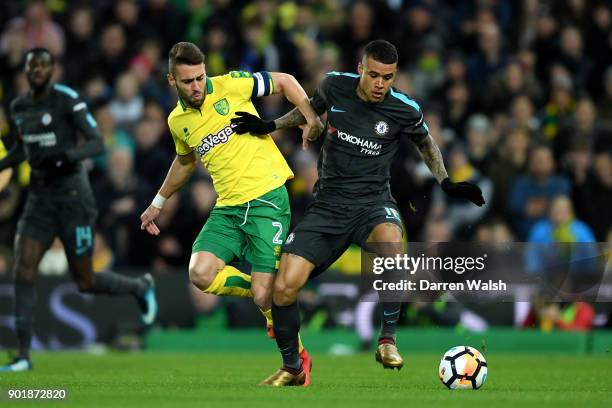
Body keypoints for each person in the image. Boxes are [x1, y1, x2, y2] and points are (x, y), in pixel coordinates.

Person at [232, 40, 485, 386]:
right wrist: (271, 126)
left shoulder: (404, 109)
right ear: (361, 68)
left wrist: (446, 182)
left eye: (389, 77)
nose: (381, 84)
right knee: (283, 290)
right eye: (376, 75)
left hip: (372, 204)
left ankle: (387, 341)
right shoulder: (334, 85)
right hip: (328, 206)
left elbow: (426, 143)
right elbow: (310, 110)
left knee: (390, 243)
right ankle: (292, 368)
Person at [139, 42, 322, 355]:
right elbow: (185, 162)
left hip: (267, 199)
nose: (197, 86)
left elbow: (286, 81)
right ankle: (265, 293)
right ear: (172, 81)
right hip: (229, 207)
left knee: (266, 297)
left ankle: (298, 358)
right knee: (200, 273)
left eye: (200, 77)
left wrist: (310, 118)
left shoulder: (231, 85)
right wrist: (158, 202)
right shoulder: (177, 122)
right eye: (187, 81)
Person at [0, 48, 157, 372]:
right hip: (40, 200)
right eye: (33, 66)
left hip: (74, 198)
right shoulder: (19, 106)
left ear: (53, 69)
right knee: (23, 269)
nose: (39, 70)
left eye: (44, 64)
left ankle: (139, 287)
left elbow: (97, 142)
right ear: (27, 72)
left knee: (84, 279)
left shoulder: (67, 99)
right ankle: (23, 356)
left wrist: (67, 156)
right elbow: (20, 150)